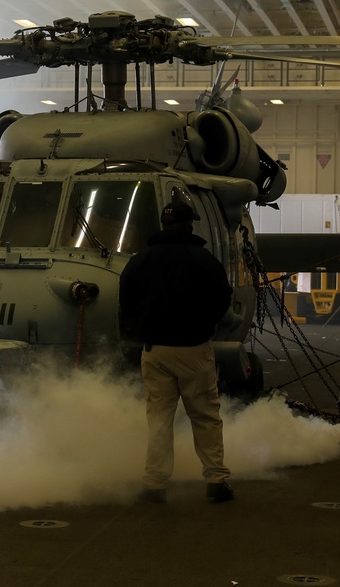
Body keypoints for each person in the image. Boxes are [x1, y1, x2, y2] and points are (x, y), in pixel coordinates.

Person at [118, 201, 234, 504]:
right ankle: (216, 480)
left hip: (154, 350)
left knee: (158, 417)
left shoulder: (140, 260)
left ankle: (154, 483)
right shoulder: (204, 260)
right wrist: (204, 322)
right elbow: (223, 298)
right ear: (187, 225)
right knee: (205, 415)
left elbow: (126, 301)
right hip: (193, 348)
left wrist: (142, 328)